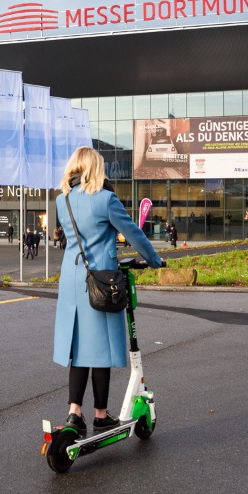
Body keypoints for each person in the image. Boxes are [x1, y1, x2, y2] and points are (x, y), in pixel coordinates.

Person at [54, 146, 163, 434]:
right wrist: (154, 260)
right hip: (101, 281)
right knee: (99, 348)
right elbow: (133, 232)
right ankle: (101, 415)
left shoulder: (61, 201)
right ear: (95, 168)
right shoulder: (105, 199)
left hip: (71, 281)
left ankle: (74, 413)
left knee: (78, 349)